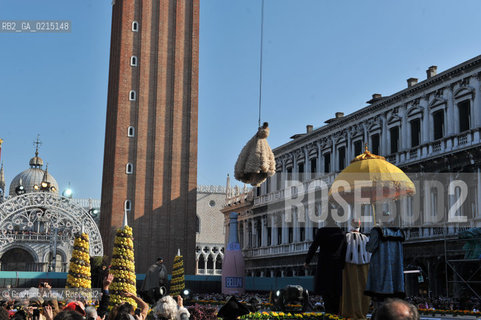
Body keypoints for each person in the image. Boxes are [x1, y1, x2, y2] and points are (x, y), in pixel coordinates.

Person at [304, 214, 347, 314]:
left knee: (326, 294)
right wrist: (342, 265)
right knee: (336, 295)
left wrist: (307, 261)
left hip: (325, 266)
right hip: (337, 268)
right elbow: (345, 251)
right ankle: (335, 315)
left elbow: (313, 247)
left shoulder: (322, 231)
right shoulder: (341, 233)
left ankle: (329, 314)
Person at [365, 224, 405, 306]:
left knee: (380, 304)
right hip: (396, 277)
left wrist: (367, 244)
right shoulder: (399, 232)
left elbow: (370, 248)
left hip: (381, 273)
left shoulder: (377, 230)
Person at [340, 219, 371, 319]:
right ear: (360, 225)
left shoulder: (346, 237)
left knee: (349, 289)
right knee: (363, 289)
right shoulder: (366, 238)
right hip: (364, 266)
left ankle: (349, 312)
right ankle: (362, 312)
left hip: (348, 266)